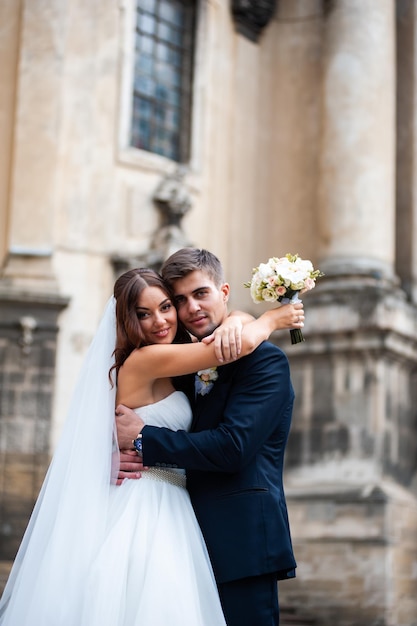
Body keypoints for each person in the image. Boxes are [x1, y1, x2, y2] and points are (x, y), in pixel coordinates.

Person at [0, 267, 303, 626]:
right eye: (144, 314)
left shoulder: (174, 362)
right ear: (128, 320)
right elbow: (230, 349)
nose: (160, 320)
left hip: (181, 507)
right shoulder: (147, 360)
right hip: (149, 504)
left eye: (165, 307)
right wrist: (271, 318)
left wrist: (237, 315)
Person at [115, 249, 301, 626]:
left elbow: (232, 448)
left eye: (201, 294)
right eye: (179, 300)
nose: (192, 308)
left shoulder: (265, 362)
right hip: (175, 535)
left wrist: (142, 439)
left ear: (224, 291)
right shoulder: (178, 364)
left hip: (241, 542)